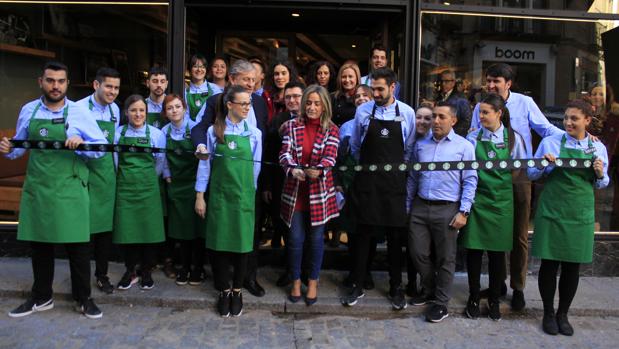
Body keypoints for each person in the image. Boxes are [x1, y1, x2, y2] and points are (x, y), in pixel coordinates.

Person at [3, 61, 107, 319]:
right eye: (50, 80)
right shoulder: (29, 110)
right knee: (40, 247)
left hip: (70, 187)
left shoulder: (79, 113)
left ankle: (84, 299)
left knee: (78, 248)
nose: (55, 86)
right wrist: (8, 148)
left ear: (67, 84)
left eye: (60, 81)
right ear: (41, 82)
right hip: (40, 187)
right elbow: (19, 148)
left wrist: (82, 144)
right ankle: (42, 297)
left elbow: (101, 148)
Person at [470, 63, 563, 311]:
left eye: (496, 81)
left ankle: (518, 287)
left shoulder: (525, 103)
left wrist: (575, 138)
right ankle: (497, 284)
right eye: (488, 80)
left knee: (519, 235)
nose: (491, 85)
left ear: (508, 84)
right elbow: (474, 135)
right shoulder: (481, 106)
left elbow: (546, 130)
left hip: (519, 175)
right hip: (488, 178)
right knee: (490, 231)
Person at [528, 99, 609, 335]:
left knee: (573, 267)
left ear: (587, 120)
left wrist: (600, 173)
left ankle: (563, 313)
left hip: (580, 213)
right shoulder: (550, 142)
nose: (568, 122)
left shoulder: (597, 147)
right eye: (566, 118)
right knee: (549, 264)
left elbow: (603, 183)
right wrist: (545, 165)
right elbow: (532, 174)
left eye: (574, 118)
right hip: (553, 211)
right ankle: (548, 313)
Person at [190, 60, 268, 298]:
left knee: (250, 235)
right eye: (247, 80)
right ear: (233, 80)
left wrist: (255, 187)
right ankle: (222, 283)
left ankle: (247, 279)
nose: (252, 85)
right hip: (223, 182)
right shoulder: (215, 102)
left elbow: (261, 148)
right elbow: (198, 129)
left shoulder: (259, 103)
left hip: (247, 185)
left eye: (254, 81)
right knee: (221, 233)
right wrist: (201, 146)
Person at [341, 67, 415, 310]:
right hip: (367, 184)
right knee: (363, 236)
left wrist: (395, 173)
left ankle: (396, 288)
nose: (375, 93)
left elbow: (409, 150)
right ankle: (358, 284)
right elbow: (355, 147)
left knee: (395, 239)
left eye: (380, 89)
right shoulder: (362, 111)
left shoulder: (407, 113)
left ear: (393, 87)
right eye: (373, 88)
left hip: (394, 185)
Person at [407, 102, 478, 323]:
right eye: (434, 116)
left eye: (441, 117)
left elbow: (470, 180)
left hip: (448, 208)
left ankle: (441, 303)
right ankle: (429, 288)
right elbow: (413, 177)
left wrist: (464, 211)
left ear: (453, 121)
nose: (435, 121)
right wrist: (408, 206)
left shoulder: (464, 146)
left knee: (446, 258)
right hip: (420, 206)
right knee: (417, 252)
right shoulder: (421, 145)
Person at [461, 94, 527, 321]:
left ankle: (494, 300)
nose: (480, 117)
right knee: (474, 252)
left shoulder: (513, 139)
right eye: (479, 112)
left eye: (485, 113)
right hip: (478, 201)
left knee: (498, 254)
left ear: (499, 113)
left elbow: (520, 167)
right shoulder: (472, 137)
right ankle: (472, 297)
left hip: (501, 203)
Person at [279, 85, 340, 305]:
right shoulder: (292, 126)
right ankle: (296, 281)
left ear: (324, 105)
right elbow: (284, 153)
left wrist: (320, 169)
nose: (312, 107)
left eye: (317, 103)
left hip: (319, 193)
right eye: (309, 102)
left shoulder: (332, 129)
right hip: (295, 192)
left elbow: (331, 157)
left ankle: (313, 282)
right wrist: (293, 169)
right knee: (295, 240)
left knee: (316, 241)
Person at [114, 94, 167, 291]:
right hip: (125, 190)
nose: (138, 114)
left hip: (148, 190)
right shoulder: (118, 133)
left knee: (148, 233)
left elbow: (160, 162)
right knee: (127, 233)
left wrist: (148, 179)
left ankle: (146, 271)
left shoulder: (156, 134)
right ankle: (130, 270)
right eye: (134, 110)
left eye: (141, 110)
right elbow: (115, 162)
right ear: (126, 112)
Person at [75, 67, 121, 295]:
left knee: (104, 231)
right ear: (96, 85)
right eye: (109, 86)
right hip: (83, 174)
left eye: (116, 87)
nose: (113, 91)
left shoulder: (115, 110)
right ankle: (81, 279)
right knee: (84, 230)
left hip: (106, 178)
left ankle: (101, 274)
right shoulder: (79, 109)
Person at [160, 94, 207, 286]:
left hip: (194, 185)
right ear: (165, 112)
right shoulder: (164, 132)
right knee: (182, 230)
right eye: (170, 108)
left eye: (178, 106)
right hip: (177, 185)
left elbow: (204, 160)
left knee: (198, 230)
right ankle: (184, 266)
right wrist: (167, 174)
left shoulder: (196, 129)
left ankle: (198, 267)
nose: (174, 111)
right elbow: (162, 157)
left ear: (184, 108)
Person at [263, 81, 306, 255]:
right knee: (287, 228)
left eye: (296, 96)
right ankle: (290, 271)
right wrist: (266, 185)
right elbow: (269, 154)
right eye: (288, 97)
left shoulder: (314, 118)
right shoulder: (278, 120)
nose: (292, 100)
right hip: (282, 182)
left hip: (308, 182)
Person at [436, 69, 471, 137]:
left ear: (453, 82)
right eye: (442, 81)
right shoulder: (440, 96)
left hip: (453, 139)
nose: (443, 84)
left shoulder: (461, 99)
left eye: (446, 81)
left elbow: (467, 122)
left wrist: (450, 133)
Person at [185, 54, 217, 121]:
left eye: (202, 67)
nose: (199, 69)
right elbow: (184, 116)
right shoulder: (184, 91)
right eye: (195, 66)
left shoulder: (215, 89)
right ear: (189, 70)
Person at [331, 63, 361, 127]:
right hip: (335, 135)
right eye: (344, 77)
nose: (347, 80)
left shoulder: (362, 98)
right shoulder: (332, 97)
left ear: (357, 78)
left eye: (350, 76)